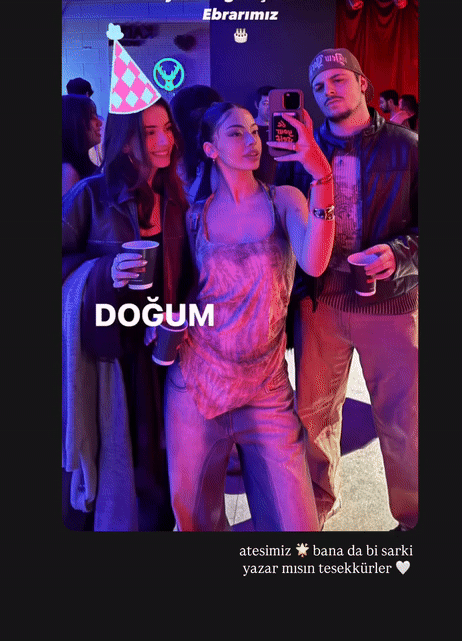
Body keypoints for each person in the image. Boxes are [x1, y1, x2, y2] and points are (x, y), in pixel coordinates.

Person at [164, 101, 335, 531]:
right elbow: (179, 290)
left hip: (266, 386)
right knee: (195, 521)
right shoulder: (194, 215)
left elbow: (314, 262)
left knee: (296, 527)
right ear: (210, 149)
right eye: (235, 133)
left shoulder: (284, 199)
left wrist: (322, 176)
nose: (251, 141)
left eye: (253, 132)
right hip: (196, 383)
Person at [276, 49, 418, 531]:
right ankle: (318, 504)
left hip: (392, 301)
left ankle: (413, 516)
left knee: (403, 418)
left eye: (338, 79)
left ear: (363, 84)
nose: (328, 90)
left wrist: (397, 255)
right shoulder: (301, 153)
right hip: (320, 303)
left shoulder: (407, 147)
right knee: (313, 415)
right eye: (319, 86)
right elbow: (285, 227)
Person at [62, 96, 192, 531]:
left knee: (162, 463)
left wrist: (177, 316)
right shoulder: (91, 195)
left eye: (167, 129)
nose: (164, 141)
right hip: (110, 359)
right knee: (116, 462)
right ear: (124, 140)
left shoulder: (176, 197)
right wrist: (104, 271)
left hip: (165, 353)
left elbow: (189, 275)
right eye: (149, 132)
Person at [62, 94, 102, 195]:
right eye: (90, 117)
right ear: (72, 122)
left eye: (95, 115)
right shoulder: (68, 173)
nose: (99, 122)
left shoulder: (79, 168)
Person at [252, 84, 277, 184]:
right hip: (253, 185)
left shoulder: (283, 129)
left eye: (273, 104)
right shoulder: (248, 129)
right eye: (266, 103)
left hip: (277, 186)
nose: (270, 108)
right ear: (257, 105)